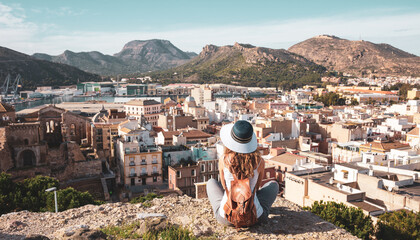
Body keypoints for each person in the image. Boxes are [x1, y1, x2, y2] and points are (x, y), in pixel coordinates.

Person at [206, 120, 279, 226]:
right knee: (274, 185)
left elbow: (224, 186)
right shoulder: (259, 162)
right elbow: (257, 188)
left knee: (211, 182)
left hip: (227, 217)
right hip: (255, 216)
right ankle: (256, 209)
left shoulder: (224, 159)